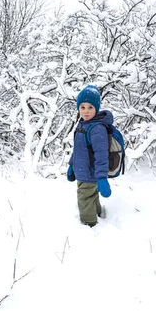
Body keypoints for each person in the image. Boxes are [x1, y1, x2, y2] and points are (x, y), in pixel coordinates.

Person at [67, 84, 112, 227]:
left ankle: (89, 225)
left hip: (90, 173)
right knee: (91, 197)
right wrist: (72, 165)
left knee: (84, 199)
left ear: (96, 108)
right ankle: (98, 214)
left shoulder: (97, 128)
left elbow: (101, 155)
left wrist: (102, 178)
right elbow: (78, 149)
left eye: (90, 107)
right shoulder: (83, 124)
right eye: (82, 107)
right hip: (83, 172)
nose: (86, 112)